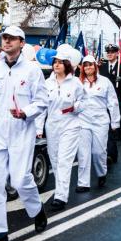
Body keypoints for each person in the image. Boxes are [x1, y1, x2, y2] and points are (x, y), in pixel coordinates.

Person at [0, 26, 48, 241]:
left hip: (21, 131)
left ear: (21, 43)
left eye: (12, 39)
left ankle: (37, 210)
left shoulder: (32, 71)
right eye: (4, 38)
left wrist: (25, 112)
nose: (6, 42)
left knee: (20, 179)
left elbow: (42, 101)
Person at [36, 51, 85, 211]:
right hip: (52, 125)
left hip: (70, 124)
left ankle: (60, 197)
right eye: (54, 62)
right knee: (55, 160)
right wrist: (39, 127)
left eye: (60, 62)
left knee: (64, 160)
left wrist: (76, 107)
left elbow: (84, 101)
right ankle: (60, 191)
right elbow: (42, 106)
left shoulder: (75, 82)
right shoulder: (47, 83)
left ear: (67, 65)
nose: (56, 64)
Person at [76, 55, 120, 192]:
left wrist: (115, 122)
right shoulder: (78, 82)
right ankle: (83, 183)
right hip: (83, 120)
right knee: (83, 153)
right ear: (82, 67)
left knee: (98, 152)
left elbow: (113, 102)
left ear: (95, 66)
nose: (88, 67)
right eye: (85, 65)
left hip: (100, 120)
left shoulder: (105, 82)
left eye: (91, 64)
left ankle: (101, 173)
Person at [99, 44, 121, 161]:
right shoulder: (102, 68)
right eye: (108, 52)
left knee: (113, 127)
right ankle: (109, 153)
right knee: (105, 127)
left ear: (117, 53)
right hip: (104, 101)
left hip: (117, 101)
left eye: (112, 52)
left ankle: (112, 153)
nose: (110, 54)